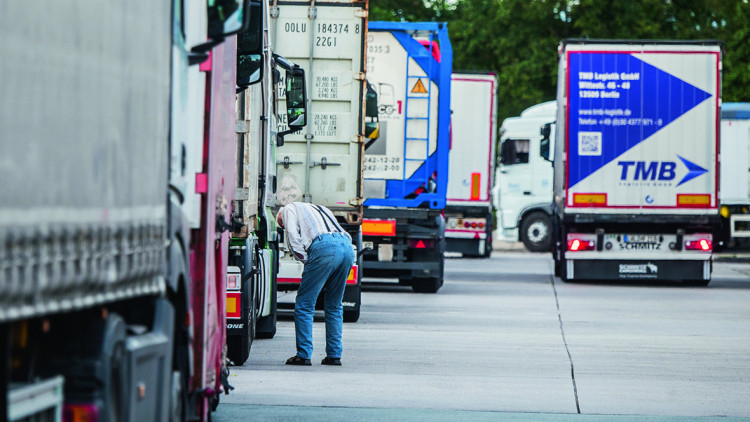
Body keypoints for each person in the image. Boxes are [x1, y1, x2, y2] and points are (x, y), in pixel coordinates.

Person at [276, 202, 354, 366]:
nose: (283, 226)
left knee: (304, 304)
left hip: (323, 248)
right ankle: (334, 355)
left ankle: (303, 355)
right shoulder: (321, 208)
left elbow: (293, 237)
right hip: (346, 247)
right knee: (334, 304)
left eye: (281, 224)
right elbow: (344, 234)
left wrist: (308, 262)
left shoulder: (288, 209)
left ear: (280, 217)